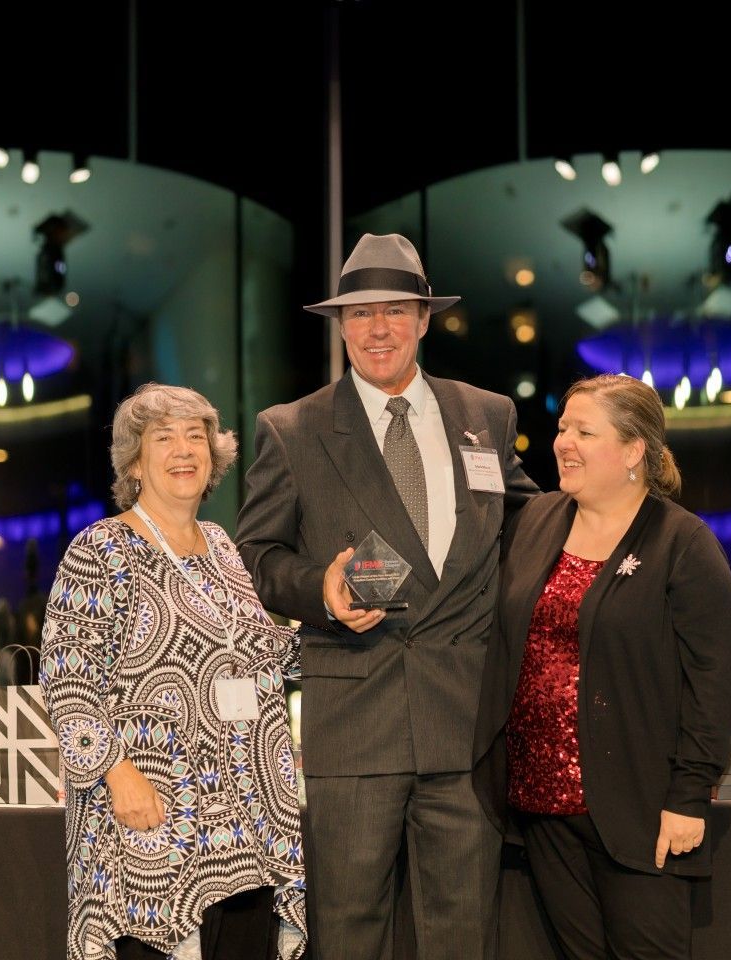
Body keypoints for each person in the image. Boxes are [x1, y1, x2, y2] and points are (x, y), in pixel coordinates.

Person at [235, 233, 539, 959]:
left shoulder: (486, 416)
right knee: (347, 936)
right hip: (354, 724)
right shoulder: (293, 428)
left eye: (396, 311)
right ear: (341, 324)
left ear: (425, 319)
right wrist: (321, 589)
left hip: (466, 725)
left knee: (464, 936)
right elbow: (255, 559)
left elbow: (530, 526)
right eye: (362, 313)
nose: (378, 330)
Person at [473, 373, 731, 960]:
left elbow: (716, 681)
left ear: (632, 451)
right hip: (541, 807)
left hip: (639, 812)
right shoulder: (536, 521)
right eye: (562, 427)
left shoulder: (684, 544)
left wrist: (690, 795)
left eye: (583, 431)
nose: (562, 442)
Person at [40, 383, 306, 960]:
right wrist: (117, 774)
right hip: (156, 818)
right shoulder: (101, 549)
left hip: (248, 822)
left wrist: (337, 619)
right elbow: (68, 679)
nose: (184, 450)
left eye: (196, 437)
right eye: (164, 438)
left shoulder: (221, 546)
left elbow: (260, 649)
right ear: (135, 461)